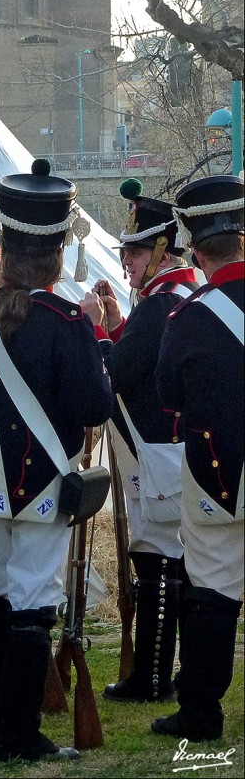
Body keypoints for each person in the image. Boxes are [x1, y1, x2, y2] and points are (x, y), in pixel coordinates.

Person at [0, 158, 112, 762]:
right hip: (43, 479)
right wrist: (96, 337)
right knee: (33, 597)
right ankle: (19, 736)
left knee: (0, 589)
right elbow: (93, 403)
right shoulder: (66, 321)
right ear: (56, 252)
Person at [80, 178, 197, 704]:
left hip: (154, 453)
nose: (126, 260)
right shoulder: (180, 296)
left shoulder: (158, 305)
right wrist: (116, 325)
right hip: (170, 450)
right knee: (172, 563)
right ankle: (165, 674)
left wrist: (94, 330)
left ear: (162, 252)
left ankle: (149, 678)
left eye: (136, 251)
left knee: (155, 563)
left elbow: (119, 373)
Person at [152, 174, 244, 742]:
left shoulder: (187, 317)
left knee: (211, 586)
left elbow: (168, 397)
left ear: (196, 248)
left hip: (217, 474)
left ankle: (202, 712)